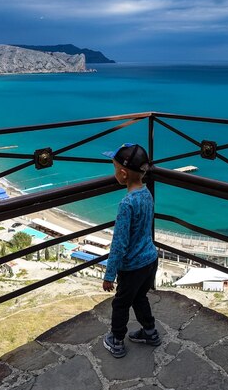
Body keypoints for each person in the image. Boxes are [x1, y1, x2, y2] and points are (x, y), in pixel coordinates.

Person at [101, 143, 160, 358]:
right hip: (150, 260)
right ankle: (150, 332)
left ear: (123, 174)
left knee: (121, 303)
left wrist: (109, 275)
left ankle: (116, 340)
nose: (114, 172)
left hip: (133, 266)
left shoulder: (126, 204)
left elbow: (119, 244)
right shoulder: (146, 194)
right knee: (140, 297)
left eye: (115, 168)